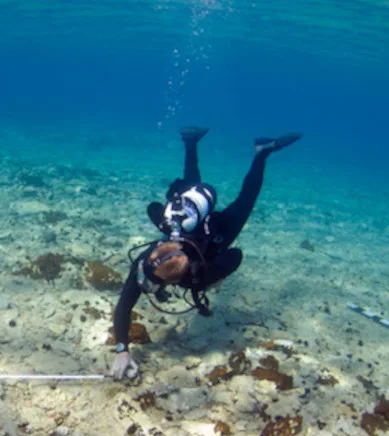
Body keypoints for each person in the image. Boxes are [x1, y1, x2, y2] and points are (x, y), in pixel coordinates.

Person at [110, 127, 301, 379]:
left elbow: (236, 256)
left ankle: (262, 154)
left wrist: (215, 279)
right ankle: (193, 141)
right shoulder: (147, 260)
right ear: (153, 253)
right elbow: (124, 305)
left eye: (154, 284)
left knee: (246, 199)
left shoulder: (202, 274)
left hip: (215, 235)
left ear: (177, 279)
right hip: (190, 218)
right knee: (192, 186)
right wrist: (122, 350)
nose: (145, 283)